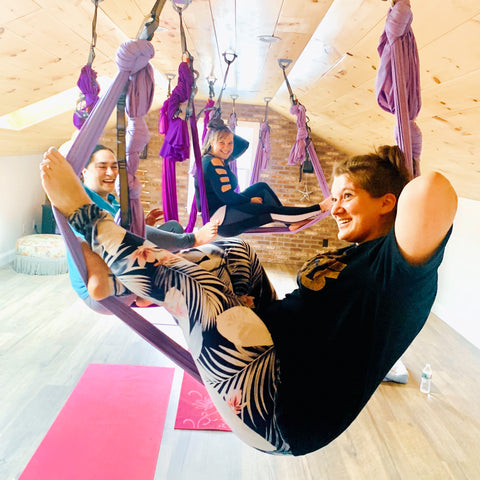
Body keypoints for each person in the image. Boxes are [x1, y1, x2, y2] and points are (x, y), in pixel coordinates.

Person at [40, 144, 457, 456]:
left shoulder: (401, 272)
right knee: (235, 250)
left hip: (280, 408)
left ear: (389, 204)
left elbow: (433, 189)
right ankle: (117, 281)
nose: (336, 209)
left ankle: (84, 215)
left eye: (348, 197)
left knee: (194, 287)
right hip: (275, 340)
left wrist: (403, 168)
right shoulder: (357, 251)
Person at [66, 144, 218, 313]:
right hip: (104, 289)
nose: (110, 173)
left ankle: (152, 285)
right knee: (126, 233)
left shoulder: (113, 201)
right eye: (102, 167)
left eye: (114, 167)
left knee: (173, 227)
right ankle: (189, 242)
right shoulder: (84, 203)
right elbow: (118, 236)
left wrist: (145, 223)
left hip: (125, 272)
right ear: (84, 171)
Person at [196, 125, 331, 236]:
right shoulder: (214, 162)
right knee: (270, 211)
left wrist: (220, 126)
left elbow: (243, 145)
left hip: (224, 211)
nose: (227, 147)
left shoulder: (216, 159)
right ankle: (319, 208)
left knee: (261, 188)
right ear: (211, 142)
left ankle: (289, 221)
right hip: (222, 221)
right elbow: (228, 197)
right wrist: (249, 201)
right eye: (222, 142)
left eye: (230, 142)